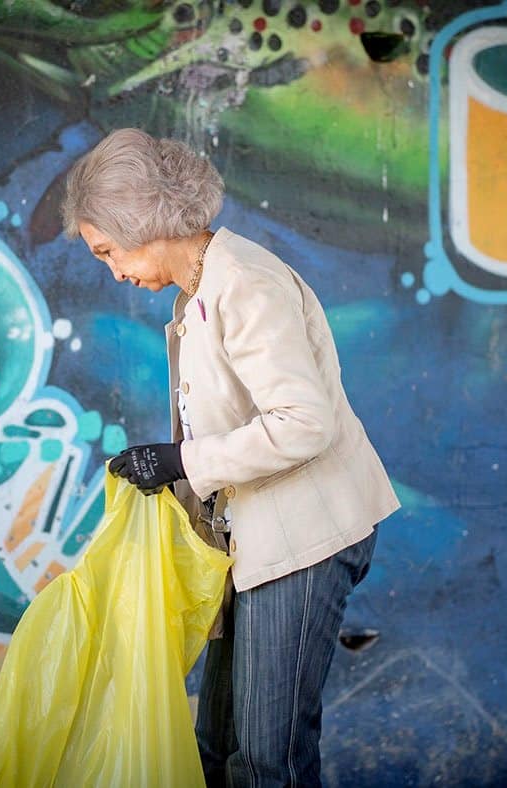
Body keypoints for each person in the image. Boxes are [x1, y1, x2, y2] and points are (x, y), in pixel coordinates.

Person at [61, 127, 400, 788]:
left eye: (107, 251)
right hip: (256, 538)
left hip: (305, 536)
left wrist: (182, 460)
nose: (113, 272)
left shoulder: (243, 282)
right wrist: (175, 469)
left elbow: (304, 424)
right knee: (217, 744)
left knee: (264, 756)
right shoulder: (202, 289)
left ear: (140, 223)